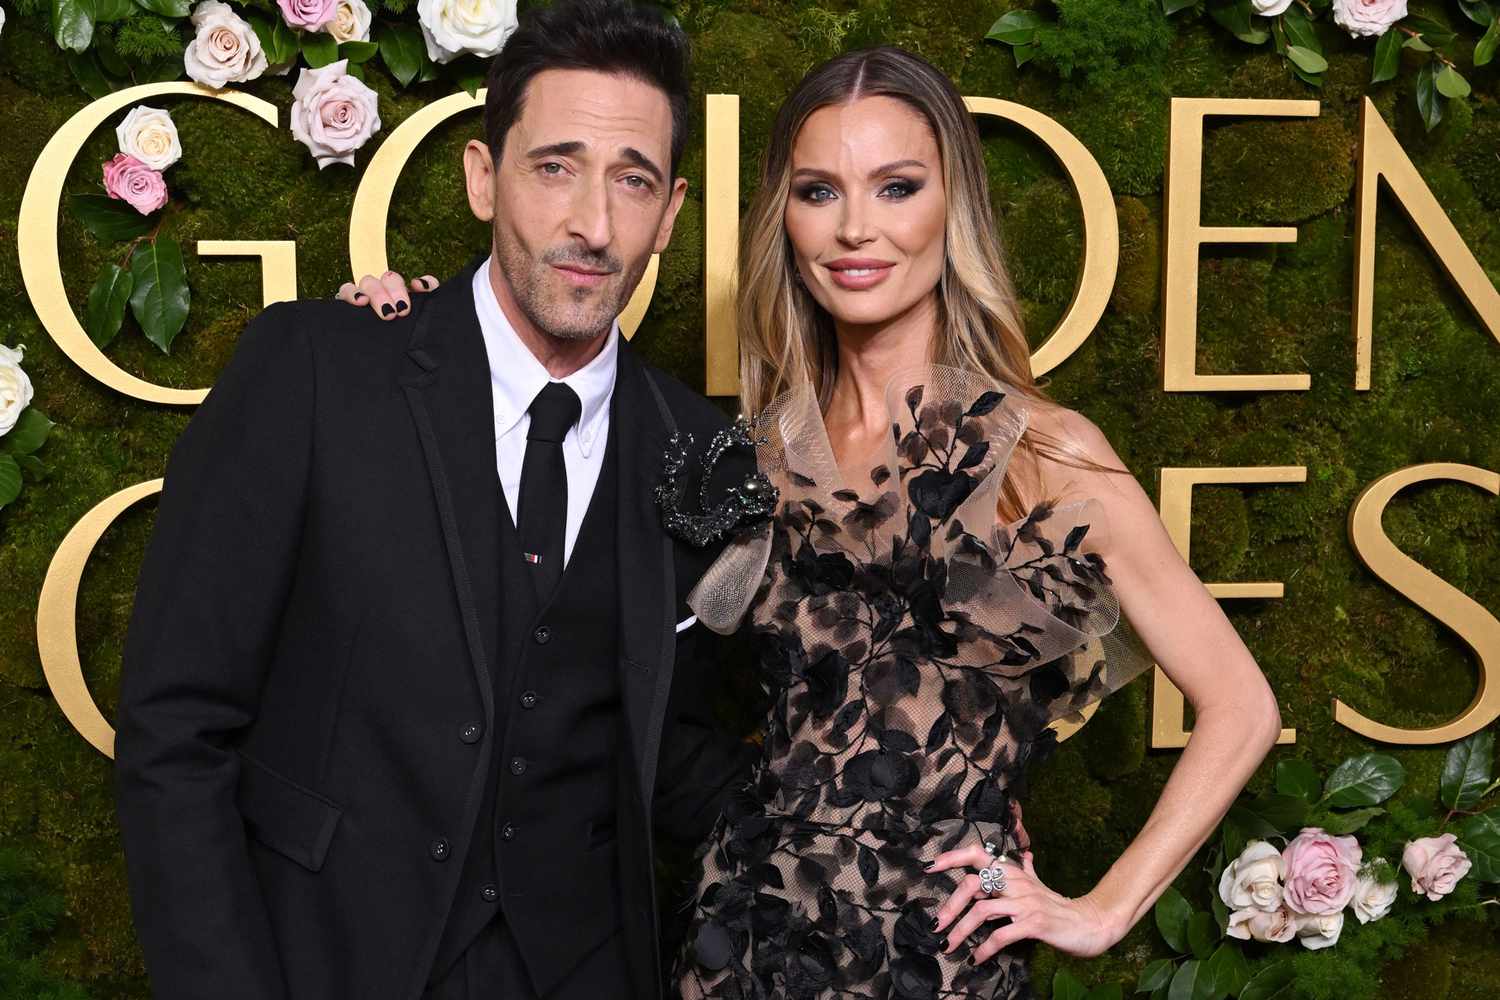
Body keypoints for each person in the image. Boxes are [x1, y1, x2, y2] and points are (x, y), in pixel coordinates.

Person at [353, 45, 1282, 1000]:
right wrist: (413, 327)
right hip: (740, 942)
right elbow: (610, 681)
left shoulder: (1041, 451)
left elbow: (1242, 706)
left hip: (937, 961)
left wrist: (1101, 909)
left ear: (950, 206)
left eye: (896, 186)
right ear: (784, 220)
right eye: (818, 192)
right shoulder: (745, 458)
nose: (855, 229)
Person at [112, 2, 760, 999]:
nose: (593, 224)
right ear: (480, 177)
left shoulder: (700, 455)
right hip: (325, 958)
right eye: (554, 166)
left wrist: (920, 811)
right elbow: (175, 727)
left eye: (631, 181)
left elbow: (679, 757)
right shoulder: (318, 371)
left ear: (672, 212)